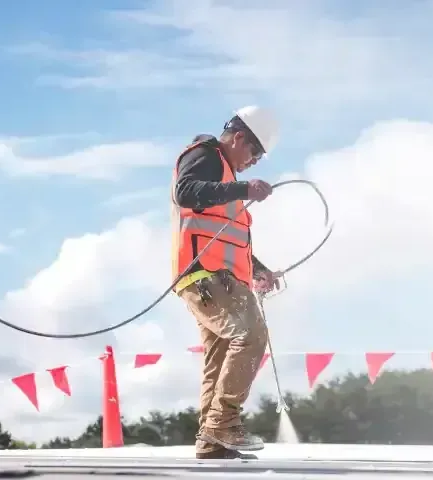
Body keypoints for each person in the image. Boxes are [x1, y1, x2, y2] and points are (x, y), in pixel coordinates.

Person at [170, 106, 281, 459]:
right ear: (238, 138)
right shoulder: (206, 155)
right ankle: (224, 423)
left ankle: (211, 441)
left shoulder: (225, 179)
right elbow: (185, 191)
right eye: (255, 152)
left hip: (218, 279)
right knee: (251, 335)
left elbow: (225, 235)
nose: (255, 161)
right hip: (206, 277)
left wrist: (259, 269)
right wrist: (243, 188)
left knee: (219, 359)